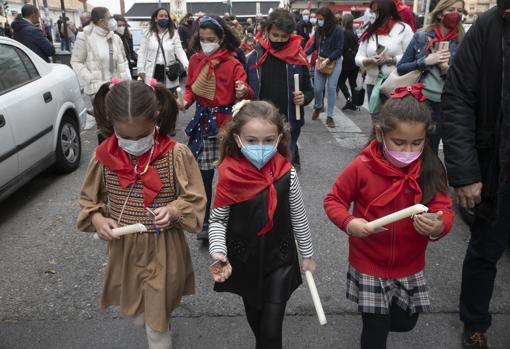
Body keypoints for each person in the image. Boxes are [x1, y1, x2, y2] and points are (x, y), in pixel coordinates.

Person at [77, 79, 206, 349]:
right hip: (124, 248)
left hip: (163, 246)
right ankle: (158, 320)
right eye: (127, 137)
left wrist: (173, 210)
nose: (135, 143)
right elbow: (89, 201)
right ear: (112, 123)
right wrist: (99, 219)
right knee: (138, 317)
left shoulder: (176, 155)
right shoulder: (103, 157)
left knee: (155, 328)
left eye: (141, 135)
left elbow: (194, 198)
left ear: (156, 117)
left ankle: (160, 327)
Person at [324, 84, 454, 349]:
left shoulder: (429, 167)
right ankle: (373, 318)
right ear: (381, 133)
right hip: (368, 261)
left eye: (416, 143)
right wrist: (350, 223)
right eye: (399, 143)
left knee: (406, 322)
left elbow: (444, 208)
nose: (407, 151)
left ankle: (381, 315)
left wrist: (438, 225)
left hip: (409, 263)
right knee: (375, 330)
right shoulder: (362, 167)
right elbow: (333, 200)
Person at [208, 100, 316, 349]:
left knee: (270, 331)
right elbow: (217, 219)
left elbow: (298, 216)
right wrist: (218, 252)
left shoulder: (286, 173)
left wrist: (307, 255)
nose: (261, 147)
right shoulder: (228, 175)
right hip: (245, 260)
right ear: (237, 139)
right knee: (258, 325)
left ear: (279, 139)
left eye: (268, 140)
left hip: (280, 259)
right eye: (252, 140)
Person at [441, 3, 510, 348]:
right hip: (497, 169)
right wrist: (465, 173)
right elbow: (457, 100)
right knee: (485, 251)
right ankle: (475, 321)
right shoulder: (489, 26)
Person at [182, 15, 253, 241]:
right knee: (202, 176)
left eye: (211, 38)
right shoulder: (195, 61)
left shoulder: (233, 63)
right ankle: (205, 222)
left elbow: (246, 91)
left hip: (226, 124)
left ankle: (227, 219)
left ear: (221, 38)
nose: (206, 42)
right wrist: (183, 101)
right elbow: (190, 89)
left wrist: (243, 91)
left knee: (228, 175)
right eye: (202, 38)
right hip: (203, 124)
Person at [247, 9, 313, 170]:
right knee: (262, 165)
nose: (279, 40)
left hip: (289, 121)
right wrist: (243, 90)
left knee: (284, 167)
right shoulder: (256, 55)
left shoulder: (298, 57)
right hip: (260, 121)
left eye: (284, 36)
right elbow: (247, 87)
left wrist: (304, 97)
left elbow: (309, 90)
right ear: (267, 31)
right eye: (275, 35)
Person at [397, 0, 464, 154]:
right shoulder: (421, 36)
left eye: (460, 11)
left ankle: (427, 177)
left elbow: (465, 79)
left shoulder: (462, 42)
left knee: (432, 149)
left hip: (446, 104)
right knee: (413, 146)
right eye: (451, 9)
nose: (456, 14)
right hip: (420, 101)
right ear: (440, 14)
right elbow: (401, 68)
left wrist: (446, 69)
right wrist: (425, 61)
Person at [71, 6, 131, 142]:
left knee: (122, 128)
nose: (113, 21)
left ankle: (121, 158)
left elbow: (123, 62)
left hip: (118, 90)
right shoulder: (84, 37)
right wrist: (90, 78)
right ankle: (106, 160)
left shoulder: (115, 38)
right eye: (109, 18)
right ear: (99, 21)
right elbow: (76, 61)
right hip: (98, 91)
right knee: (104, 130)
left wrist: (128, 84)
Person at [355, 0, 413, 108]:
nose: (372, 15)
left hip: (395, 84)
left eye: (376, 11)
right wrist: (368, 61)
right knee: (376, 120)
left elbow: (410, 56)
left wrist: (391, 59)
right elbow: (358, 58)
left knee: (392, 120)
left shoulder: (404, 29)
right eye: (371, 11)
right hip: (372, 82)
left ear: (387, 12)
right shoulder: (369, 31)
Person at [306, 7, 344, 128]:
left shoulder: (338, 30)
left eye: (321, 19)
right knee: (317, 88)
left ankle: (329, 116)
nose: (319, 21)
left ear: (327, 19)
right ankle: (318, 106)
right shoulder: (318, 30)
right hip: (321, 62)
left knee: (331, 88)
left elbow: (339, 50)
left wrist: (328, 59)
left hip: (334, 62)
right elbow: (313, 46)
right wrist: (302, 53)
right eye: (318, 19)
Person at [137, 8, 188, 92]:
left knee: (169, 99)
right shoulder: (147, 33)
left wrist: (186, 65)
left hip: (169, 72)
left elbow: (179, 51)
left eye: (166, 16)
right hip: (152, 71)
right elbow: (142, 52)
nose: (164, 18)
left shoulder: (174, 33)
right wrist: (140, 68)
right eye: (161, 16)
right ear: (155, 19)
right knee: (153, 99)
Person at [337, 13, 360, 111]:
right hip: (355, 60)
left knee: (340, 80)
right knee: (353, 82)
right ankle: (353, 102)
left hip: (346, 61)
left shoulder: (343, 32)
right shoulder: (354, 32)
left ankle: (349, 98)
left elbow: (342, 48)